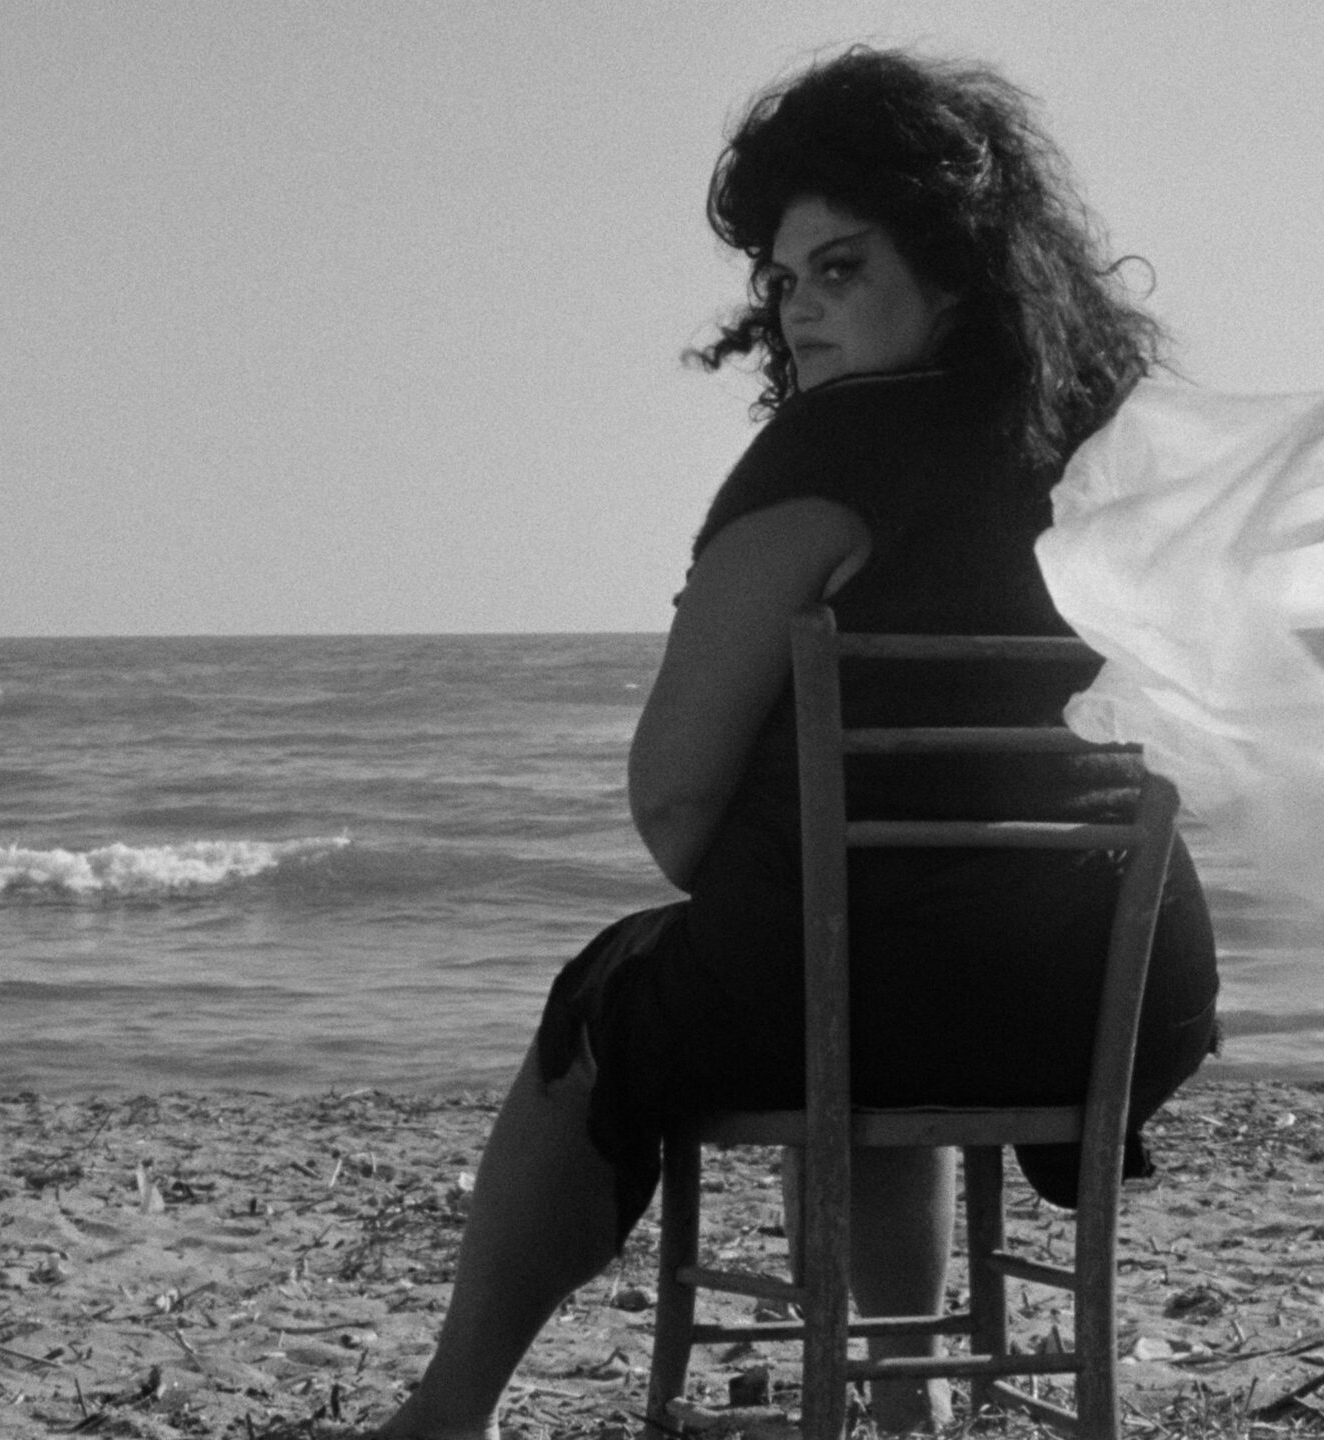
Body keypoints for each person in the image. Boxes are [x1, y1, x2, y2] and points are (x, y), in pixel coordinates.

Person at [376, 48, 1220, 1439]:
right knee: (860, 950)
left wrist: (763, 870)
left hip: (868, 983)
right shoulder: (1106, 452)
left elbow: (671, 801)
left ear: (954, 266)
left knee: (635, 992)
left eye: (841, 266)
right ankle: (906, 1409)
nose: (800, 307)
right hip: (1110, 995)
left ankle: (447, 1413)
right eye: (782, 280)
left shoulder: (824, 459)